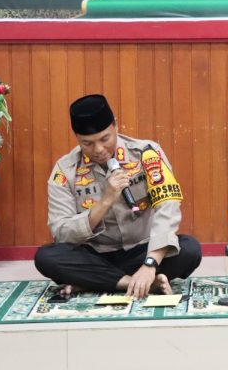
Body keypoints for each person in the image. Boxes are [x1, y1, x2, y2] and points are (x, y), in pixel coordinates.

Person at [34, 94, 202, 299]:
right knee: (46, 257)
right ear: (76, 137)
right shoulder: (65, 170)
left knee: (190, 249)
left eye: (105, 139)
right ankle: (133, 284)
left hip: (143, 251)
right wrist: (105, 201)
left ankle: (94, 282)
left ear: (115, 125)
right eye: (87, 143)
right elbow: (62, 233)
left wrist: (150, 264)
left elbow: (168, 207)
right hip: (96, 256)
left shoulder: (146, 153)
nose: (98, 150)